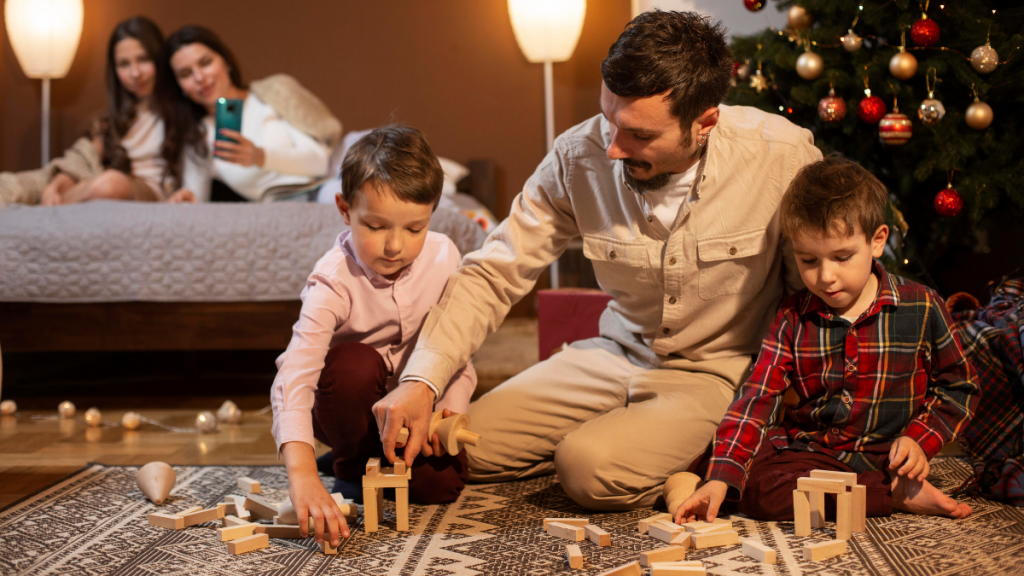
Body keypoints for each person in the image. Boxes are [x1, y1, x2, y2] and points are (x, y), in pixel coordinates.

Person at [374, 10, 823, 511]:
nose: (612, 148)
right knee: (459, 448)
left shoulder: (781, 156)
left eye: (639, 135)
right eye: (608, 118)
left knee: (585, 469)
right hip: (613, 354)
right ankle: (633, 441)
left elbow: (812, 292)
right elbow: (494, 271)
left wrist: (788, 398)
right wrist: (421, 380)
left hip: (719, 374)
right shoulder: (576, 155)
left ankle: (687, 454)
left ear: (705, 121)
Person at [675, 155, 978, 524]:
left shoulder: (923, 304)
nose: (826, 277)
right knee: (729, 473)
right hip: (813, 451)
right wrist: (724, 474)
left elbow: (959, 386)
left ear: (878, 240)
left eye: (842, 257)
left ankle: (889, 487)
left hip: (890, 453)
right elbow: (757, 396)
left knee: (756, 491)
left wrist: (921, 438)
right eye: (808, 261)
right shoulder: (792, 316)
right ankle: (888, 494)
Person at [270, 125, 477, 549]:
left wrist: (449, 412)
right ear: (345, 210)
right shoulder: (332, 280)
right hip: (344, 402)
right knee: (353, 364)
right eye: (376, 226)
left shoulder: (445, 255)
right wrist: (303, 474)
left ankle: (364, 459)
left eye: (415, 229)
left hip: (413, 409)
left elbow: (458, 352)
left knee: (440, 487)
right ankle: (347, 460)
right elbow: (296, 373)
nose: (395, 246)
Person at [159, 26, 338, 202]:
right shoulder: (198, 136)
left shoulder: (270, 97)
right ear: (179, 86)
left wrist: (260, 156)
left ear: (225, 62)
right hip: (277, 210)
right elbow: (196, 199)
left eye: (206, 63)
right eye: (185, 74)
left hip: (323, 190)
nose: (199, 78)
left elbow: (320, 163)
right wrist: (186, 199)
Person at [37, 17, 193, 205]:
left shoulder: (183, 108)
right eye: (124, 64)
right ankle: (46, 205)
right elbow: (81, 161)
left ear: (159, 59)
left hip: (156, 195)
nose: (135, 73)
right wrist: (53, 188)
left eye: (143, 59)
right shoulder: (109, 120)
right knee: (46, 183)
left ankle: (51, 207)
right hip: (109, 189)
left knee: (110, 183)